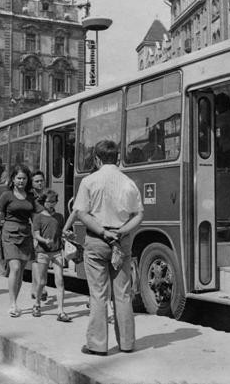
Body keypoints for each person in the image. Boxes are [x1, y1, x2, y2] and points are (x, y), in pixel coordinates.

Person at [74, 140, 144, 356]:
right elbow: (139, 214)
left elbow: (81, 213)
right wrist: (121, 232)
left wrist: (104, 233)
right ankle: (127, 343)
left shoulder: (88, 181)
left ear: (96, 158)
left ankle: (97, 345)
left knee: (98, 294)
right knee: (122, 293)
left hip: (97, 239)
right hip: (121, 242)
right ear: (118, 158)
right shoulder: (128, 182)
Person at [0, 164, 40, 317]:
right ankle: (12, 304)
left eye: (24, 178)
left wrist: (36, 237)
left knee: (21, 272)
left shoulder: (31, 197)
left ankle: (15, 301)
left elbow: (35, 219)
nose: (21, 181)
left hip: (25, 234)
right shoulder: (6, 195)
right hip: (9, 233)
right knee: (16, 268)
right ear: (13, 179)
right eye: (18, 178)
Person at [31, 189, 72, 322]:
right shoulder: (38, 217)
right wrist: (44, 240)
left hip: (56, 252)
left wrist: (68, 235)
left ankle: (60, 311)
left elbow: (61, 233)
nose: (52, 204)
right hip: (42, 252)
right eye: (49, 202)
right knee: (42, 281)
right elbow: (36, 234)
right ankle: (37, 304)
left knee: (60, 281)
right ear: (44, 202)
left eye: (54, 201)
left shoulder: (59, 217)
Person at [30, 170, 48, 302]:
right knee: (37, 259)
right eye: (37, 181)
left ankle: (33, 288)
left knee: (40, 259)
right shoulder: (31, 197)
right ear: (32, 183)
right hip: (35, 230)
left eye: (41, 180)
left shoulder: (48, 194)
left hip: (46, 230)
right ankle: (43, 288)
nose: (40, 183)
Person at [215, 92, 230, 168]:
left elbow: (213, 126)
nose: (216, 108)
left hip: (229, 154)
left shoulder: (225, 117)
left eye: (217, 105)